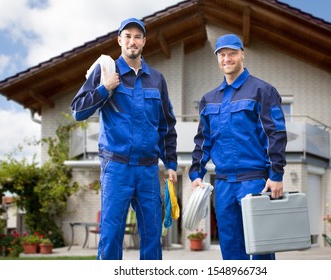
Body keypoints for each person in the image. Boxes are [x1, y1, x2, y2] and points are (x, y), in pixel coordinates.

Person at [71, 18, 178, 260]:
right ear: (119, 40)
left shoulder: (157, 79)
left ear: (144, 42)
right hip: (116, 167)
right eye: (127, 36)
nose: (132, 41)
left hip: (148, 169)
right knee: (111, 235)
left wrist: (170, 163)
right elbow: (78, 111)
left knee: (152, 235)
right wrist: (104, 89)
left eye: (137, 36)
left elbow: (166, 125)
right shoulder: (106, 70)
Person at [189, 34, 287, 260]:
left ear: (242, 54)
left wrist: (277, 174)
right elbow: (203, 140)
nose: (227, 58)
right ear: (217, 58)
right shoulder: (209, 99)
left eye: (232, 53)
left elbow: (275, 134)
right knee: (231, 250)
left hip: (255, 183)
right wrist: (197, 173)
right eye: (222, 54)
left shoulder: (262, 91)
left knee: (261, 249)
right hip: (223, 185)